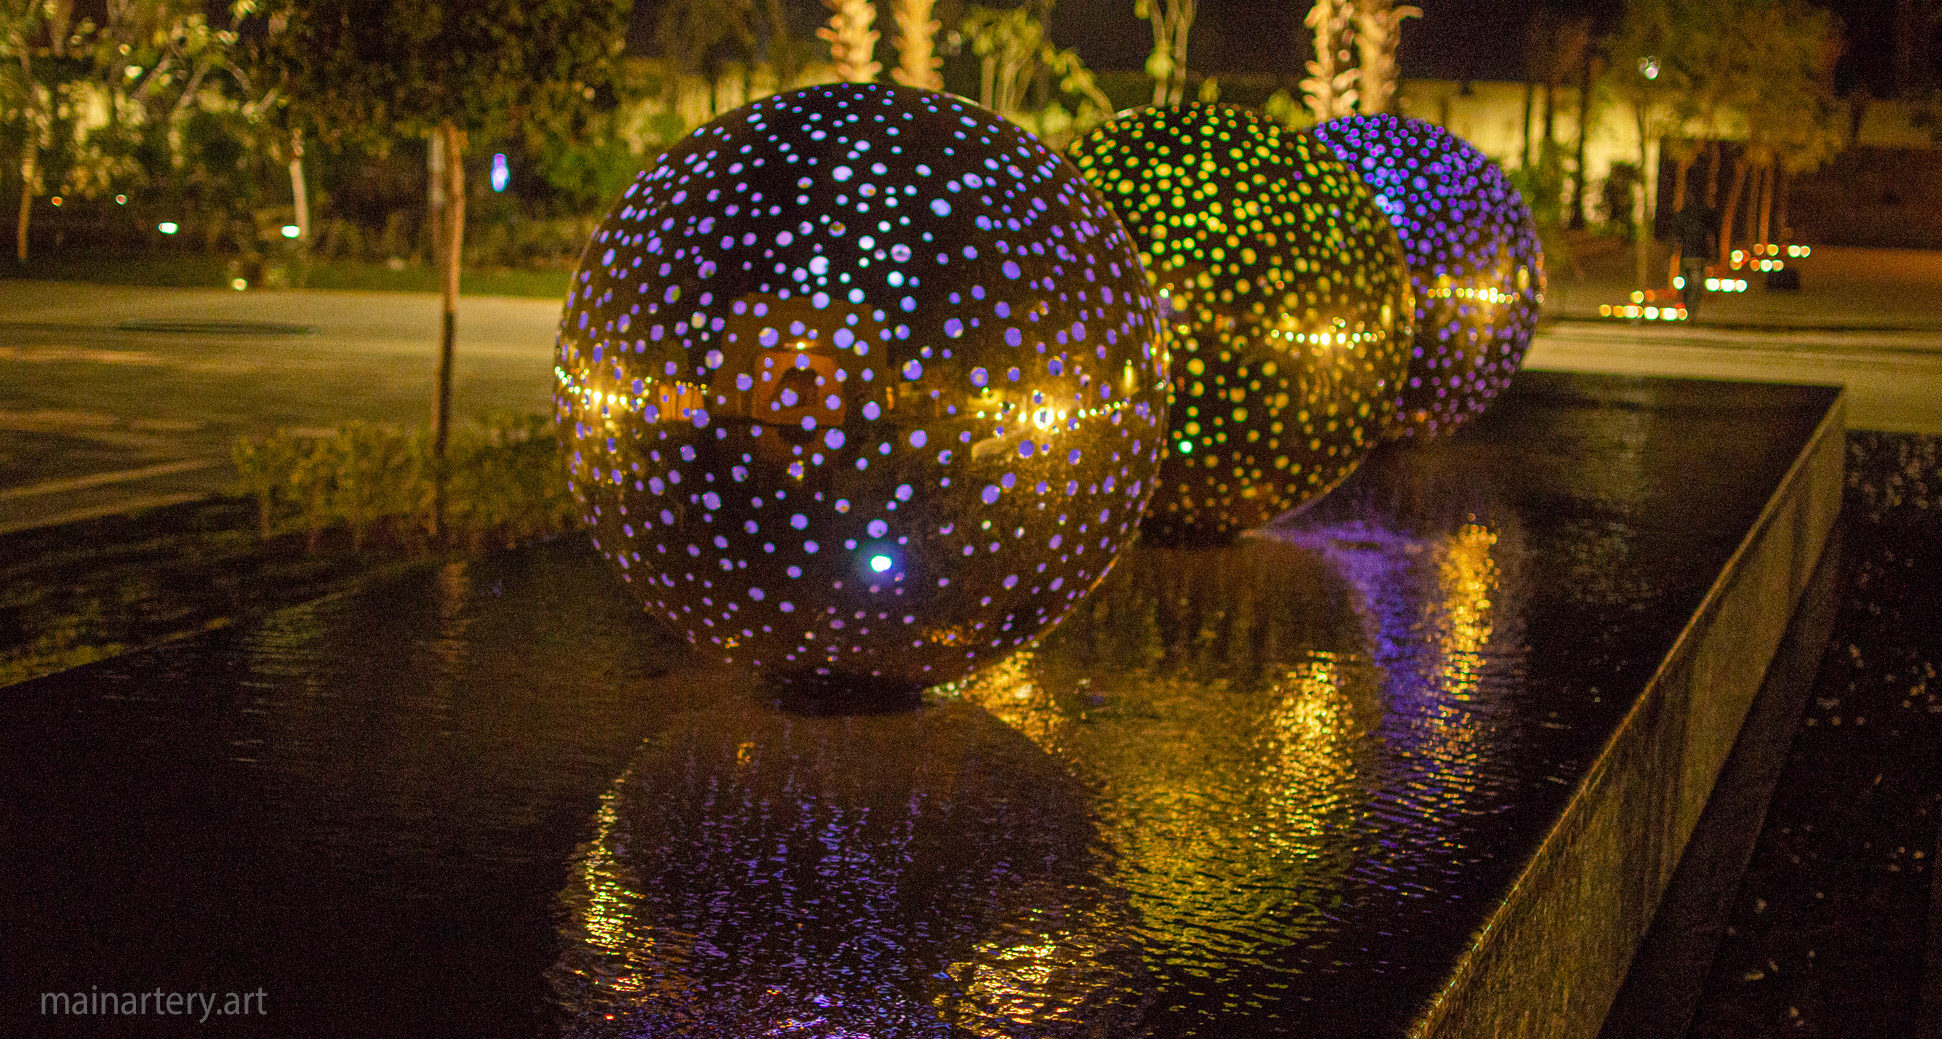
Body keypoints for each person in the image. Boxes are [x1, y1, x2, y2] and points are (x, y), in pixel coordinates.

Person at [1673, 198, 1717, 315]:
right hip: (1696, 257)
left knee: (1690, 284)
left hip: (1689, 256)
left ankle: (1689, 309)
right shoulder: (1703, 221)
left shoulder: (1683, 218)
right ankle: (1691, 310)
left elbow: (1678, 238)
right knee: (1695, 285)